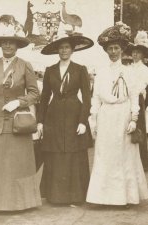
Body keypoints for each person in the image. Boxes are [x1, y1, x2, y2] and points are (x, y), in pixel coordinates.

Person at [0, 15, 41, 211]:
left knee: (17, 164)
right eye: (4, 42)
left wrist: (18, 102)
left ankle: (22, 203)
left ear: (17, 45)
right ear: (0, 45)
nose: (7, 46)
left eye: (11, 43)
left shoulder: (25, 65)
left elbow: (34, 93)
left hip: (17, 123)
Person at [86, 22, 148, 206]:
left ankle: (125, 197)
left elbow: (134, 98)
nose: (113, 52)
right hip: (106, 116)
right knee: (104, 155)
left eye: (116, 48)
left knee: (124, 155)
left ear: (122, 50)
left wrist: (134, 119)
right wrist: (94, 119)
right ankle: (102, 198)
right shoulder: (102, 72)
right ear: (106, 51)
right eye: (110, 49)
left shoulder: (129, 72)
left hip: (123, 116)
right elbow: (96, 97)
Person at [37, 32, 94, 205]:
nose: (64, 50)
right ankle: (56, 196)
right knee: (55, 153)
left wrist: (83, 121)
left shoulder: (80, 69)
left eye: (67, 47)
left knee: (73, 154)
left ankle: (75, 196)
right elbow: (45, 97)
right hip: (53, 116)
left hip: (74, 115)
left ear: (72, 49)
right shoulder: (50, 71)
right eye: (61, 48)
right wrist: (40, 121)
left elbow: (87, 98)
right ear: (57, 50)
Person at [126, 31, 148, 171]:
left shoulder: (145, 69)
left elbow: (142, 86)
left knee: (139, 128)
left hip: (139, 99)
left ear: (142, 55)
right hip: (128, 98)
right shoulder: (128, 68)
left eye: (138, 53)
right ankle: (129, 161)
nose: (135, 55)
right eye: (133, 52)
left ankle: (142, 162)